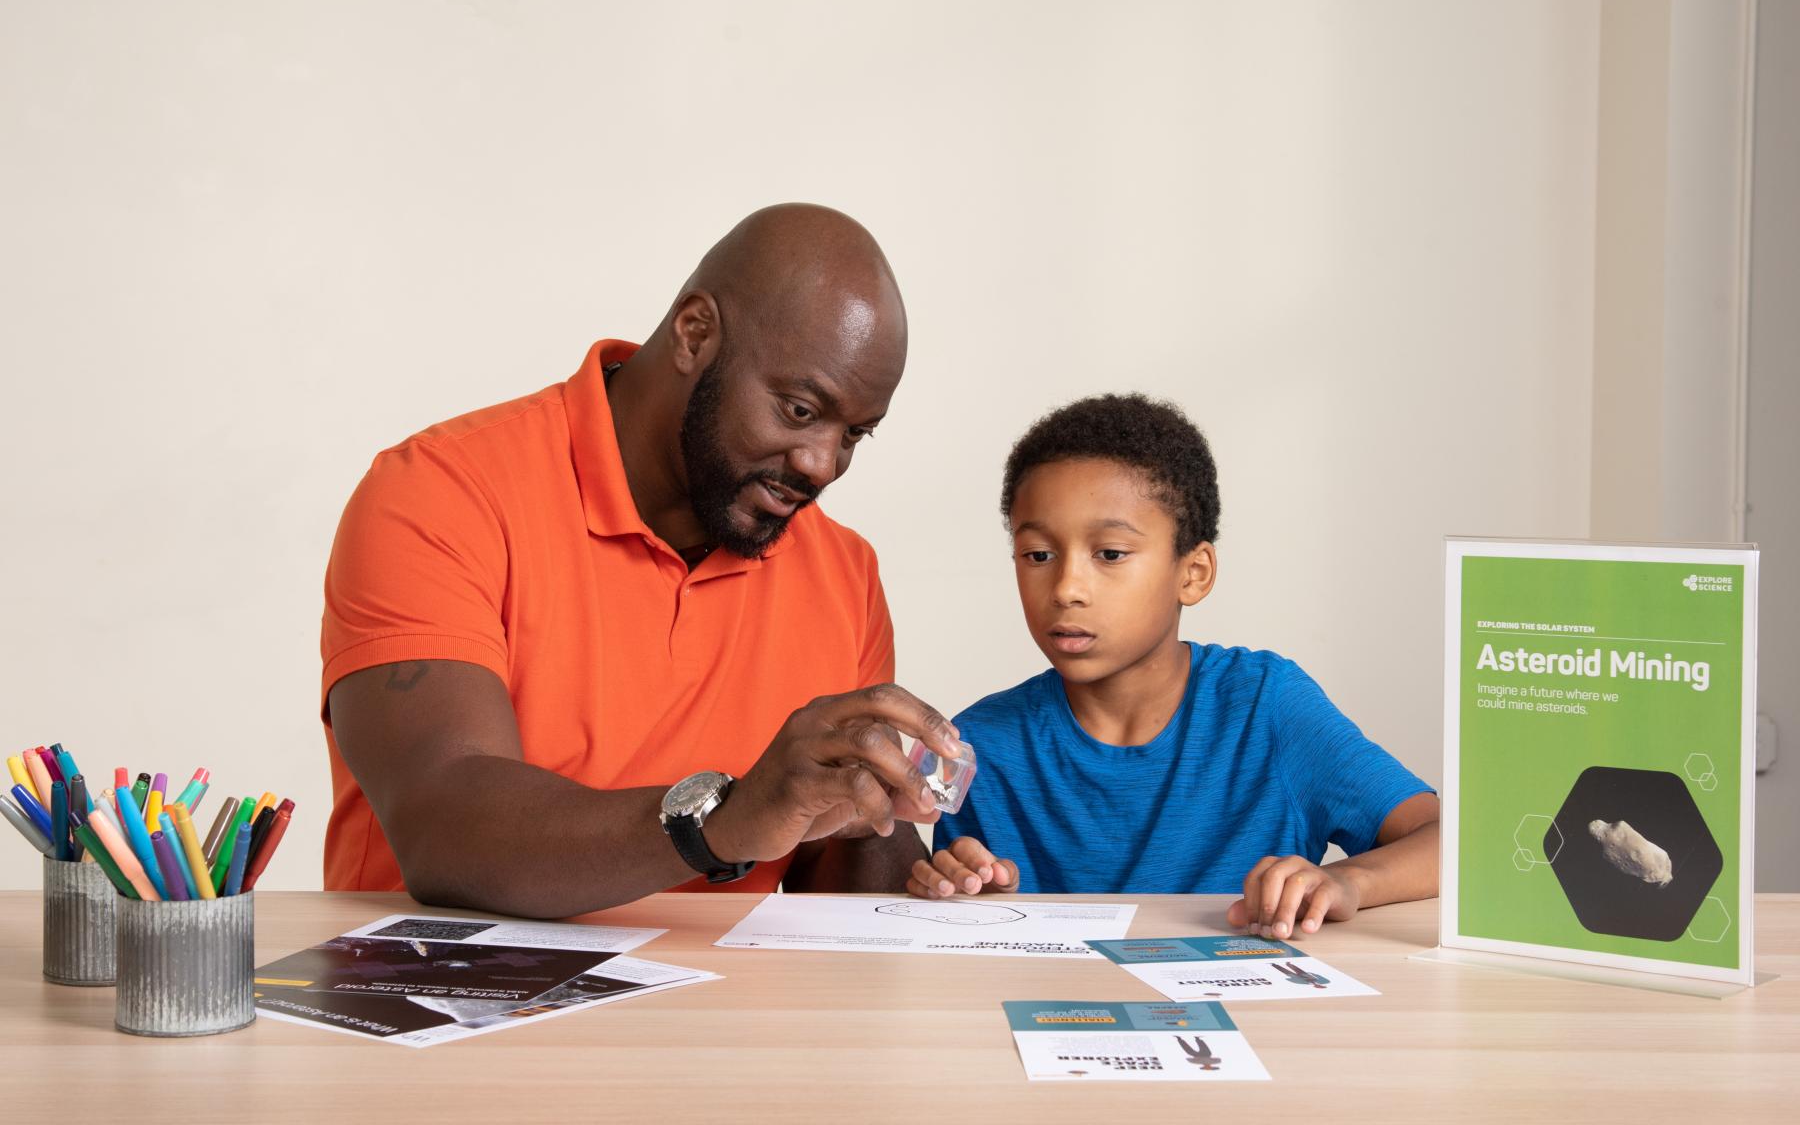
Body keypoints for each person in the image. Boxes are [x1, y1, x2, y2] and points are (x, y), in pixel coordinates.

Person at [320, 204, 963, 919]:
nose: (822, 465)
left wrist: (919, 876)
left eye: (856, 436)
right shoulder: (439, 495)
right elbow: (445, 824)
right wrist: (723, 818)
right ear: (695, 334)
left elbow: (829, 880)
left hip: (716, 1021)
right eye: (800, 411)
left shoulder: (843, 573)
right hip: (440, 1004)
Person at [908, 394, 1439, 941]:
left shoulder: (1268, 706)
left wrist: (1348, 881)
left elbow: (1448, 838)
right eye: (1038, 554)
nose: (1066, 589)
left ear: (1194, 573)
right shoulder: (967, 744)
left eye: (1110, 554)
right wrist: (958, 891)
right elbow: (928, 895)